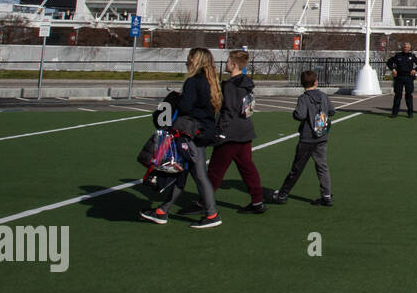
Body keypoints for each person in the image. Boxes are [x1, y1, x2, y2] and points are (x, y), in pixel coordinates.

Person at [139, 47, 224, 229]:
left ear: (196, 61)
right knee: (183, 172)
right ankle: (163, 210)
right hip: (202, 131)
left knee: (198, 175)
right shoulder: (211, 81)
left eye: (190, 59)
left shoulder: (193, 81)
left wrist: (178, 98)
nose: (187, 62)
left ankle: (212, 214)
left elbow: (186, 106)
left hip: (191, 132)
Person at [206, 49, 265, 215]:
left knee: (215, 170)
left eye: (228, 61)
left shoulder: (231, 85)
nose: (226, 63)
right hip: (245, 130)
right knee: (247, 167)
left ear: (234, 64)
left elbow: (228, 111)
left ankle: (204, 201)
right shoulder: (246, 83)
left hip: (231, 133)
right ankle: (257, 200)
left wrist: (221, 132)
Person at [269, 69, 335, 206]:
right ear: (316, 82)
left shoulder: (304, 98)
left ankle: (283, 194)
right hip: (321, 136)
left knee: (297, 168)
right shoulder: (323, 96)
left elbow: (300, 115)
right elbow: (332, 111)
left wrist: (295, 113)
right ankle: (327, 195)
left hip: (307, 137)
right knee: (322, 167)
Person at [385, 41, 417, 118]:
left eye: (408, 47)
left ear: (409, 48)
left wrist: (415, 70)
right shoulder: (398, 55)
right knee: (397, 96)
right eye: (405, 47)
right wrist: (393, 70)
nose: (406, 48)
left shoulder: (412, 56)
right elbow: (389, 62)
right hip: (399, 77)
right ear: (403, 48)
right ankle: (394, 113)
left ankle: (410, 113)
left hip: (409, 78)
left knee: (409, 95)